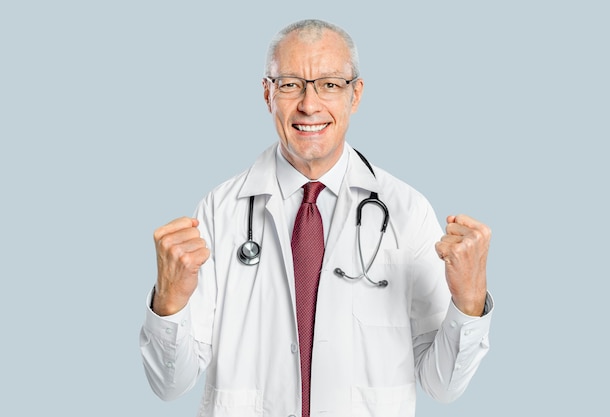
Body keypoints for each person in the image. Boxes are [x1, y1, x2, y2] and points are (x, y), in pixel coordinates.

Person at [140, 19, 494, 417]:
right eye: (290, 84)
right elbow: (171, 386)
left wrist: (468, 302)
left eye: (329, 84)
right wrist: (169, 304)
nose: (309, 104)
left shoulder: (407, 213)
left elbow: (441, 386)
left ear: (355, 95)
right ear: (267, 94)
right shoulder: (219, 213)